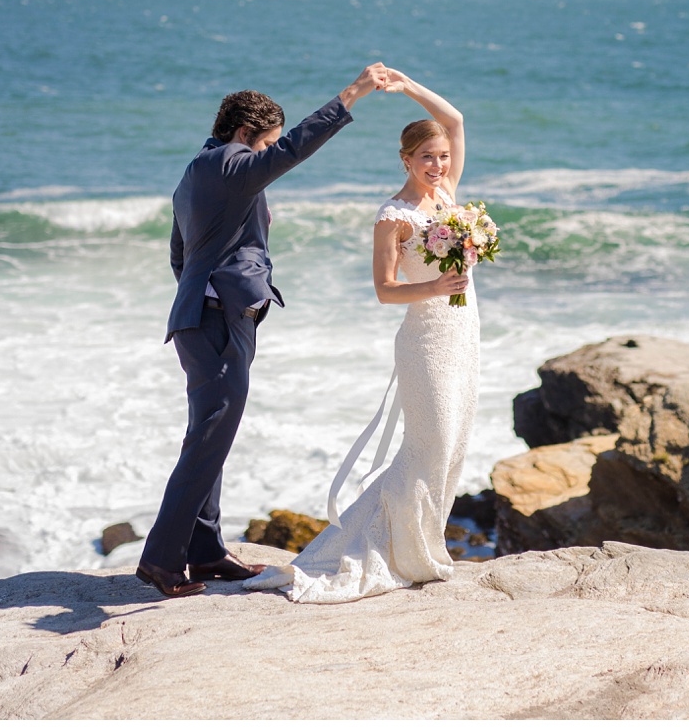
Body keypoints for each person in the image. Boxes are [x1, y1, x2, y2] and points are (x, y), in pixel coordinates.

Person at [136, 64, 389, 598]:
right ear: (246, 134)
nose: (266, 155)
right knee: (207, 440)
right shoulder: (233, 163)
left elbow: (180, 256)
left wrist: (208, 294)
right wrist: (352, 94)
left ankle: (205, 554)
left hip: (199, 318)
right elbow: (292, 150)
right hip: (219, 322)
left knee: (210, 436)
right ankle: (161, 561)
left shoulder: (195, 170)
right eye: (265, 143)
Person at [246, 68, 478, 603]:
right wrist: (438, 284)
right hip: (425, 340)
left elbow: (456, 120)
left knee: (454, 446)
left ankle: (424, 545)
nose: (438, 166)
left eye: (442, 157)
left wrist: (409, 85)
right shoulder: (392, 216)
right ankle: (396, 552)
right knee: (430, 443)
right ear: (406, 160)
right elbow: (385, 290)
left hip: (466, 331)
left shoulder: (448, 196)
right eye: (427, 158)